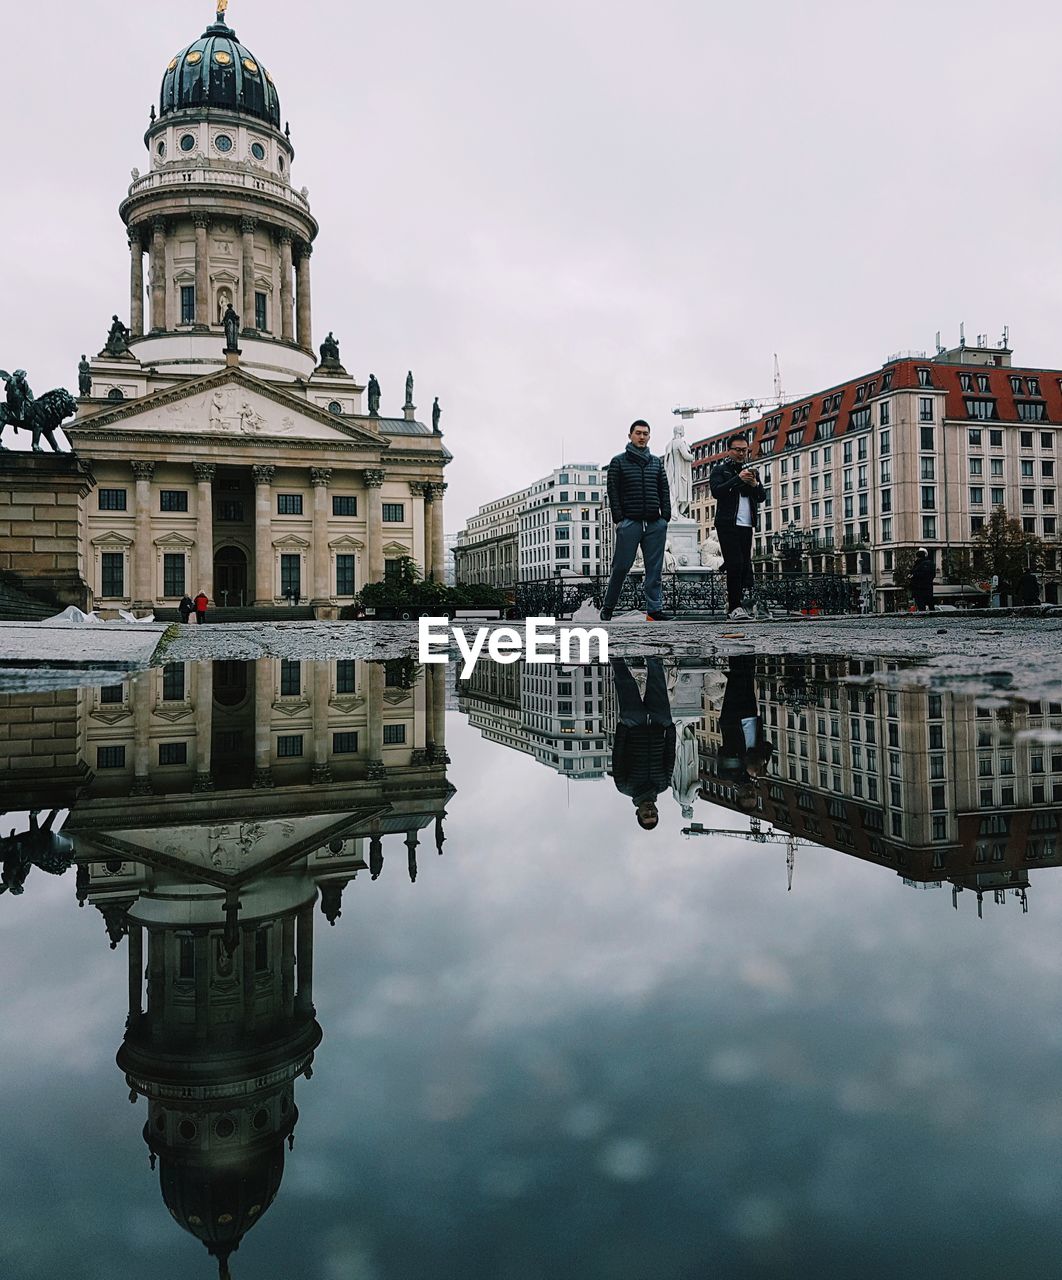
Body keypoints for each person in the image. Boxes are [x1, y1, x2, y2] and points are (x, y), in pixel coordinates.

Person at [600, 419, 672, 621]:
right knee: (621, 567)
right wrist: (619, 519)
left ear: (649, 437)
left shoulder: (656, 462)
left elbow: (664, 490)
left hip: (654, 523)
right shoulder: (618, 461)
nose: (642, 437)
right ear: (630, 435)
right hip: (629, 522)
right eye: (638, 433)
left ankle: (654, 609)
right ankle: (608, 607)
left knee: (654, 569)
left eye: (645, 434)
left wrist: (664, 517)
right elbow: (612, 491)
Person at [610, 656, 676, 829]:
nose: (649, 811)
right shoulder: (663, 785)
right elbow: (670, 756)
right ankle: (653, 654)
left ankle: (614, 656)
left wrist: (623, 728)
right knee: (658, 683)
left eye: (646, 815)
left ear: (637, 813)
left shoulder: (624, 787)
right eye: (653, 814)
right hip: (658, 725)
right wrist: (670, 728)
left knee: (626, 685)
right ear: (657, 811)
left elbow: (618, 756)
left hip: (633, 726)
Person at [709, 433, 766, 620]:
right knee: (735, 563)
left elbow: (761, 497)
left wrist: (755, 483)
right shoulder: (720, 470)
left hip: (746, 523)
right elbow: (717, 491)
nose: (742, 453)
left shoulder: (751, 471)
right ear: (729, 450)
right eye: (738, 450)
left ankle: (740, 603)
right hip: (727, 522)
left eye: (745, 450)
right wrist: (737, 479)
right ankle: (734, 607)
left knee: (744, 566)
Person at [715, 655, 774, 811]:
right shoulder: (758, 773)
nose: (749, 792)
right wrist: (762, 759)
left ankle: (736, 649)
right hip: (751, 717)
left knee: (736, 678)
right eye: (753, 796)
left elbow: (724, 752)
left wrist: (746, 764)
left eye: (745, 796)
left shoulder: (727, 775)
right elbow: (768, 746)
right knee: (748, 677)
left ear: (738, 795)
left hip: (733, 720)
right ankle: (749, 653)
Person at [910, 547, 935, 611]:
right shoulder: (930, 563)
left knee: (921, 605)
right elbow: (932, 575)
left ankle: (924, 616)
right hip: (928, 587)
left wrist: (913, 576)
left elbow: (919, 574)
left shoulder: (918, 564)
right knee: (930, 604)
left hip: (918, 588)